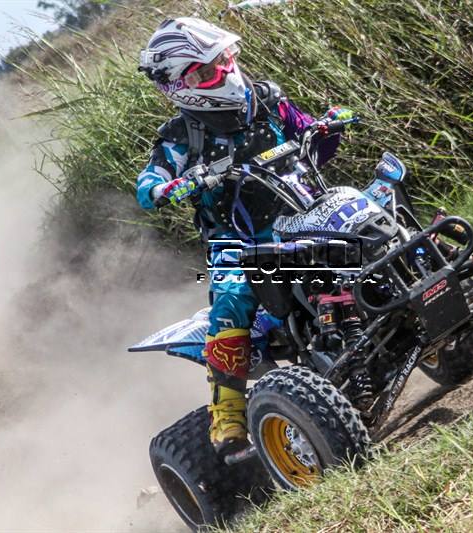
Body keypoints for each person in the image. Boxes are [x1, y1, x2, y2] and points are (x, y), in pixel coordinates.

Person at [135, 17, 352, 456]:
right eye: (209, 69)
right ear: (180, 85)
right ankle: (228, 415)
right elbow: (148, 185)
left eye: (226, 59)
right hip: (238, 241)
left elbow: (310, 138)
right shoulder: (180, 137)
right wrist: (170, 187)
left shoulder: (266, 99)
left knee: (373, 215)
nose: (226, 72)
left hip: (305, 210)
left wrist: (329, 125)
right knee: (232, 297)